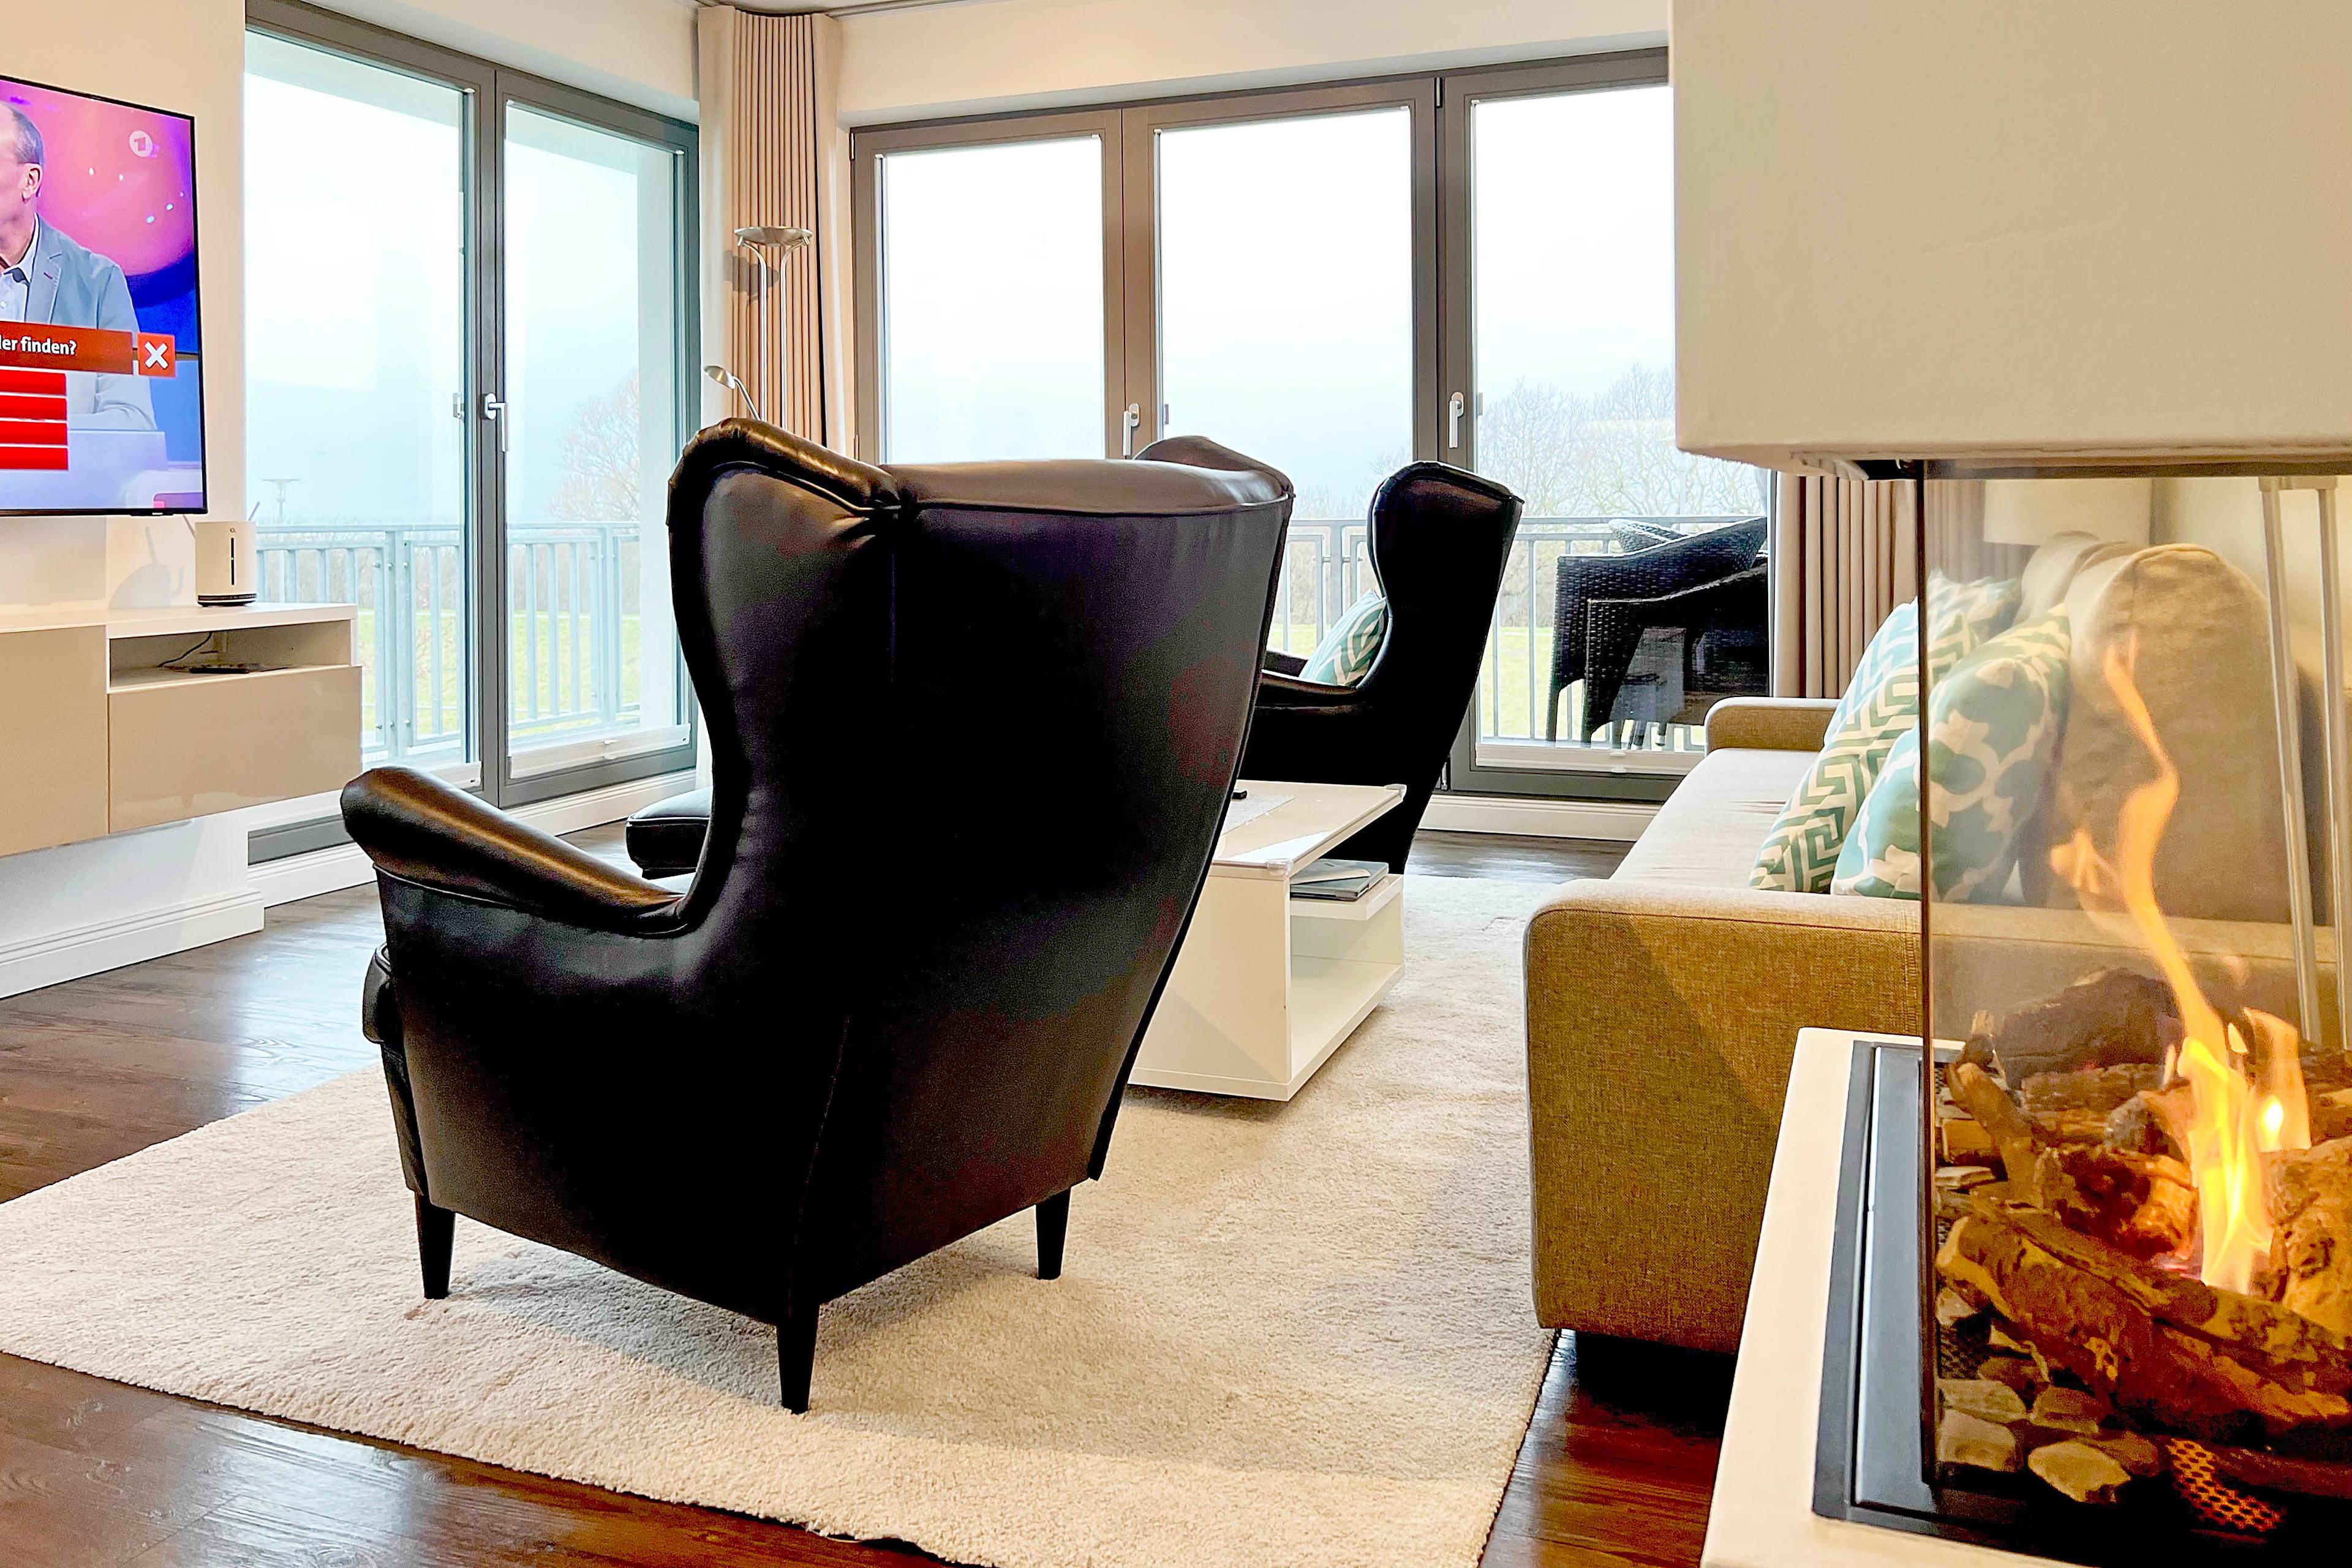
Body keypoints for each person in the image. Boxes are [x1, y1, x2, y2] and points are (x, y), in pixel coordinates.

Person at [0, 104, 155, 429]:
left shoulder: (99, 283)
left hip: (61, 464)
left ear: (30, 181)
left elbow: (133, 419)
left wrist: (29, 436)